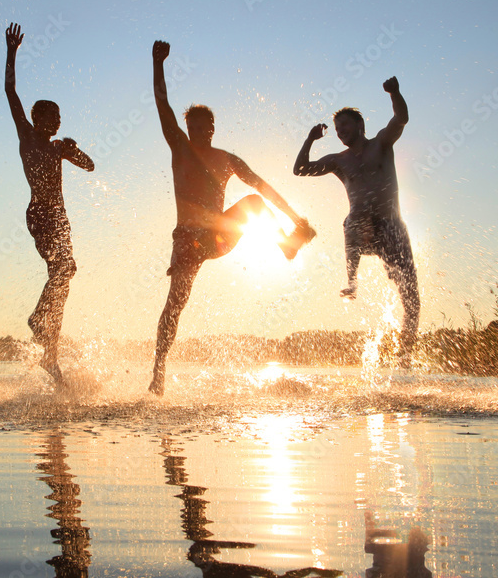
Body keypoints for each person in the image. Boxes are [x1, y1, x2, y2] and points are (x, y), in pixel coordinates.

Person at [149, 40, 315, 396]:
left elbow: (263, 187)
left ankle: (286, 244)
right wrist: (157, 63)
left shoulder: (227, 159)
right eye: (193, 125)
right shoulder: (179, 147)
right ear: (187, 128)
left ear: (213, 128)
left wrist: (293, 217)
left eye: (205, 126)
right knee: (175, 304)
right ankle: (158, 371)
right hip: (187, 240)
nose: (199, 131)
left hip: (218, 236)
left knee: (254, 200)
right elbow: (162, 104)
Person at [293, 77, 419, 366]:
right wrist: (310, 139)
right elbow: (300, 169)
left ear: (360, 126)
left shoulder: (381, 144)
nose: (340, 133)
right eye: (337, 130)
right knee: (354, 217)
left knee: (412, 299)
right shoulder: (339, 160)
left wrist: (395, 92)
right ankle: (352, 280)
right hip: (361, 230)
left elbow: (402, 118)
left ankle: (405, 357)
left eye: (345, 127)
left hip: (392, 229)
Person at [5, 22, 95, 384]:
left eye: (58, 118)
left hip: (60, 217)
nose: (55, 122)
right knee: (61, 271)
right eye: (50, 117)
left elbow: (90, 166)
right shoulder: (27, 134)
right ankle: (38, 322)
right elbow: (10, 91)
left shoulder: (59, 148)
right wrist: (12, 52)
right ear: (37, 118)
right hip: (40, 214)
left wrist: (75, 151)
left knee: (65, 274)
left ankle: (50, 354)